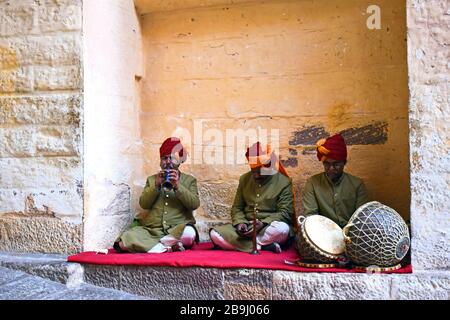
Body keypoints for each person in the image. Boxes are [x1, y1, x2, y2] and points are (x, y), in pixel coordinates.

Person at [114, 137, 200, 253]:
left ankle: (157, 247)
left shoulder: (189, 180)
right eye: (165, 158)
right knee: (123, 242)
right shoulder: (152, 180)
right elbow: (144, 204)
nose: (168, 162)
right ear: (160, 161)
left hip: (177, 229)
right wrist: (156, 185)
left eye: (172, 158)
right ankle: (167, 246)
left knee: (189, 234)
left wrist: (178, 186)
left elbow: (194, 204)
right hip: (153, 230)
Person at [210, 142, 294, 253]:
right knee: (215, 234)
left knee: (282, 229)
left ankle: (247, 245)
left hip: (267, 227)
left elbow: (285, 212)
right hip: (247, 227)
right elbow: (237, 208)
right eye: (253, 171)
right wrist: (240, 223)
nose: (256, 176)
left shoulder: (284, 182)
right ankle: (262, 246)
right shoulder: (244, 179)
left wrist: (263, 223)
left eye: (259, 171)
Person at [302, 133, 369, 228]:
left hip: (352, 234)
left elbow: (362, 218)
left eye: (336, 164)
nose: (331, 168)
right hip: (323, 234)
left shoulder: (357, 184)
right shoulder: (313, 183)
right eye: (327, 164)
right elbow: (311, 216)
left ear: (344, 162)